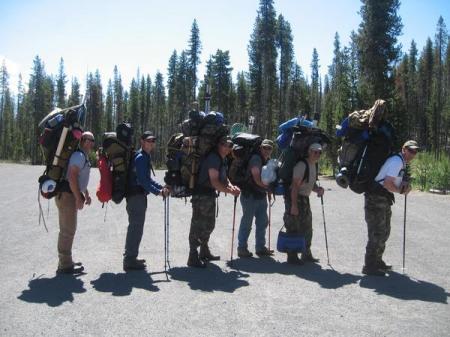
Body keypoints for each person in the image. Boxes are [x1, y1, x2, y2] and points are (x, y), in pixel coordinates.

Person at [362, 140, 419, 276]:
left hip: (383, 198)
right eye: (410, 150)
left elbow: (393, 182)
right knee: (377, 232)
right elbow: (387, 183)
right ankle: (369, 265)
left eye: (415, 151)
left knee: (385, 231)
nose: (413, 154)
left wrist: (404, 186)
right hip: (376, 198)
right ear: (403, 149)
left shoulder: (402, 163)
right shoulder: (397, 161)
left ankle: (377, 261)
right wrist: (400, 191)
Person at [188, 136, 241, 268]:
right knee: (198, 225)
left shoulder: (222, 159)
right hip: (202, 195)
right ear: (219, 145)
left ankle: (204, 251)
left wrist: (231, 186)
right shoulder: (213, 157)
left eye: (229, 145)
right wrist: (230, 191)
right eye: (224, 144)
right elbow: (214, 181)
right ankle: (192, 256)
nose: (227, 148)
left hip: (209, 195)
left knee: (209, 225)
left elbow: (223, 177)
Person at [124, 131, 169, 271]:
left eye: (153, 141)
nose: (151, 143)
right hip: (136, 196)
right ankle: (129, 260)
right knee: (135, 227)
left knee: (136, 227)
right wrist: (159, 192)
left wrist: (161, 187)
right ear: (142, 142)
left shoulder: (143, 156)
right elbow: (143, 181)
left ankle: (132, 257)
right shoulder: (141, 157)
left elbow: (147, 179)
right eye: (148, 140)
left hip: (138, 196)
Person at [55, 131, 95, 274]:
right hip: (67, 196)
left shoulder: (82, 156)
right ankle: (65, 264)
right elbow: (71, 177)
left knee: (68, 229)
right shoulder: (78, 155)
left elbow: (79, 178)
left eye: (92, 140)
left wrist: (86, 193)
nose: (91, 143)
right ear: (82, 141)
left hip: (69, 194)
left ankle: (66, 261)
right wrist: (78, 198)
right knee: (67, 230)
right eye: (88, 140)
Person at [283, 143, 324, 265]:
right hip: (295, 198)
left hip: (305, 199)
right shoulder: (302, 165)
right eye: (314, 152)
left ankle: (306, 253)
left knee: (307, 227)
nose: (317, 154)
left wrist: (318, 190)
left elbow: (309, 183)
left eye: (319, 152)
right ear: (309, 152)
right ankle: (292, 255)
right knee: (293, 226)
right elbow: (295, 186)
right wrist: (294, 205)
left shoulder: (314, 165)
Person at [237, 139, 274, 258]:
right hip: (249, 195)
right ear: (260, 148)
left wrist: (267, 189)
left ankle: (260, 247)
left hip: (260, 195)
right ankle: (242, 248)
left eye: (269, 148)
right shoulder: (256, 159)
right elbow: (256, 176)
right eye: (265, 148)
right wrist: (266, 187)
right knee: (247, 222)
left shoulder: (266, 160)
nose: (267, 150)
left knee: (262, 222)